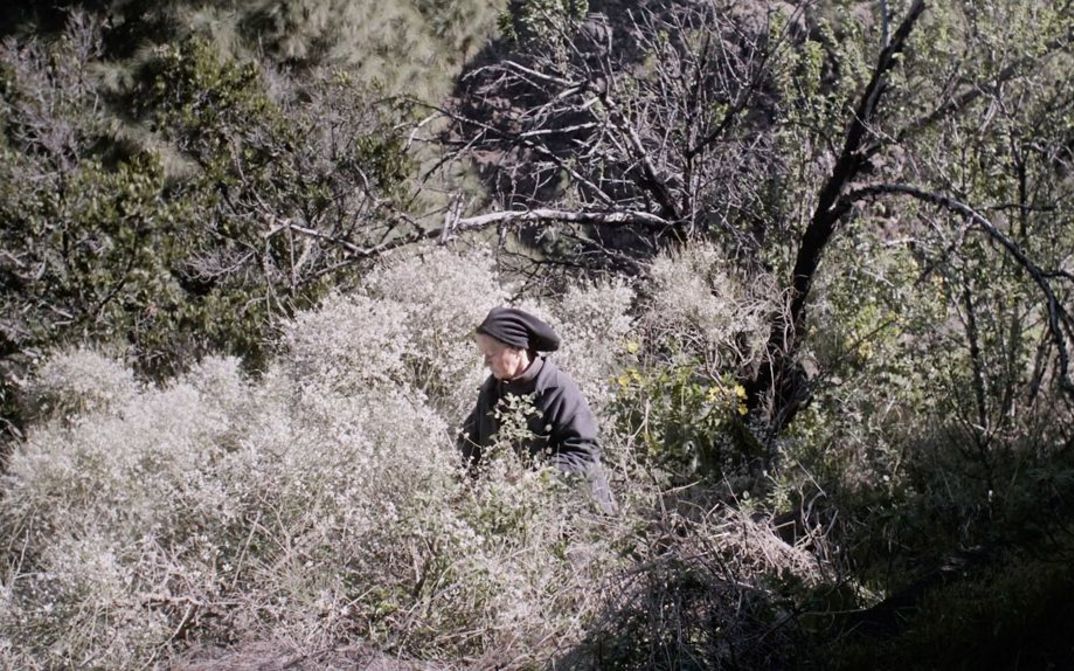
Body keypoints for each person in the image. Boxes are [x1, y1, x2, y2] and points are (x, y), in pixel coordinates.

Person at [458, 306, 616, 513]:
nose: (485, 362)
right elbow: (470, 446)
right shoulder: (491, 391)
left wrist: (536, 479)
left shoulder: (559, 389)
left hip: (579, 515)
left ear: (517, 349)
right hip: (523, 512)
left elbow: (583, 456)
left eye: (491, 353)